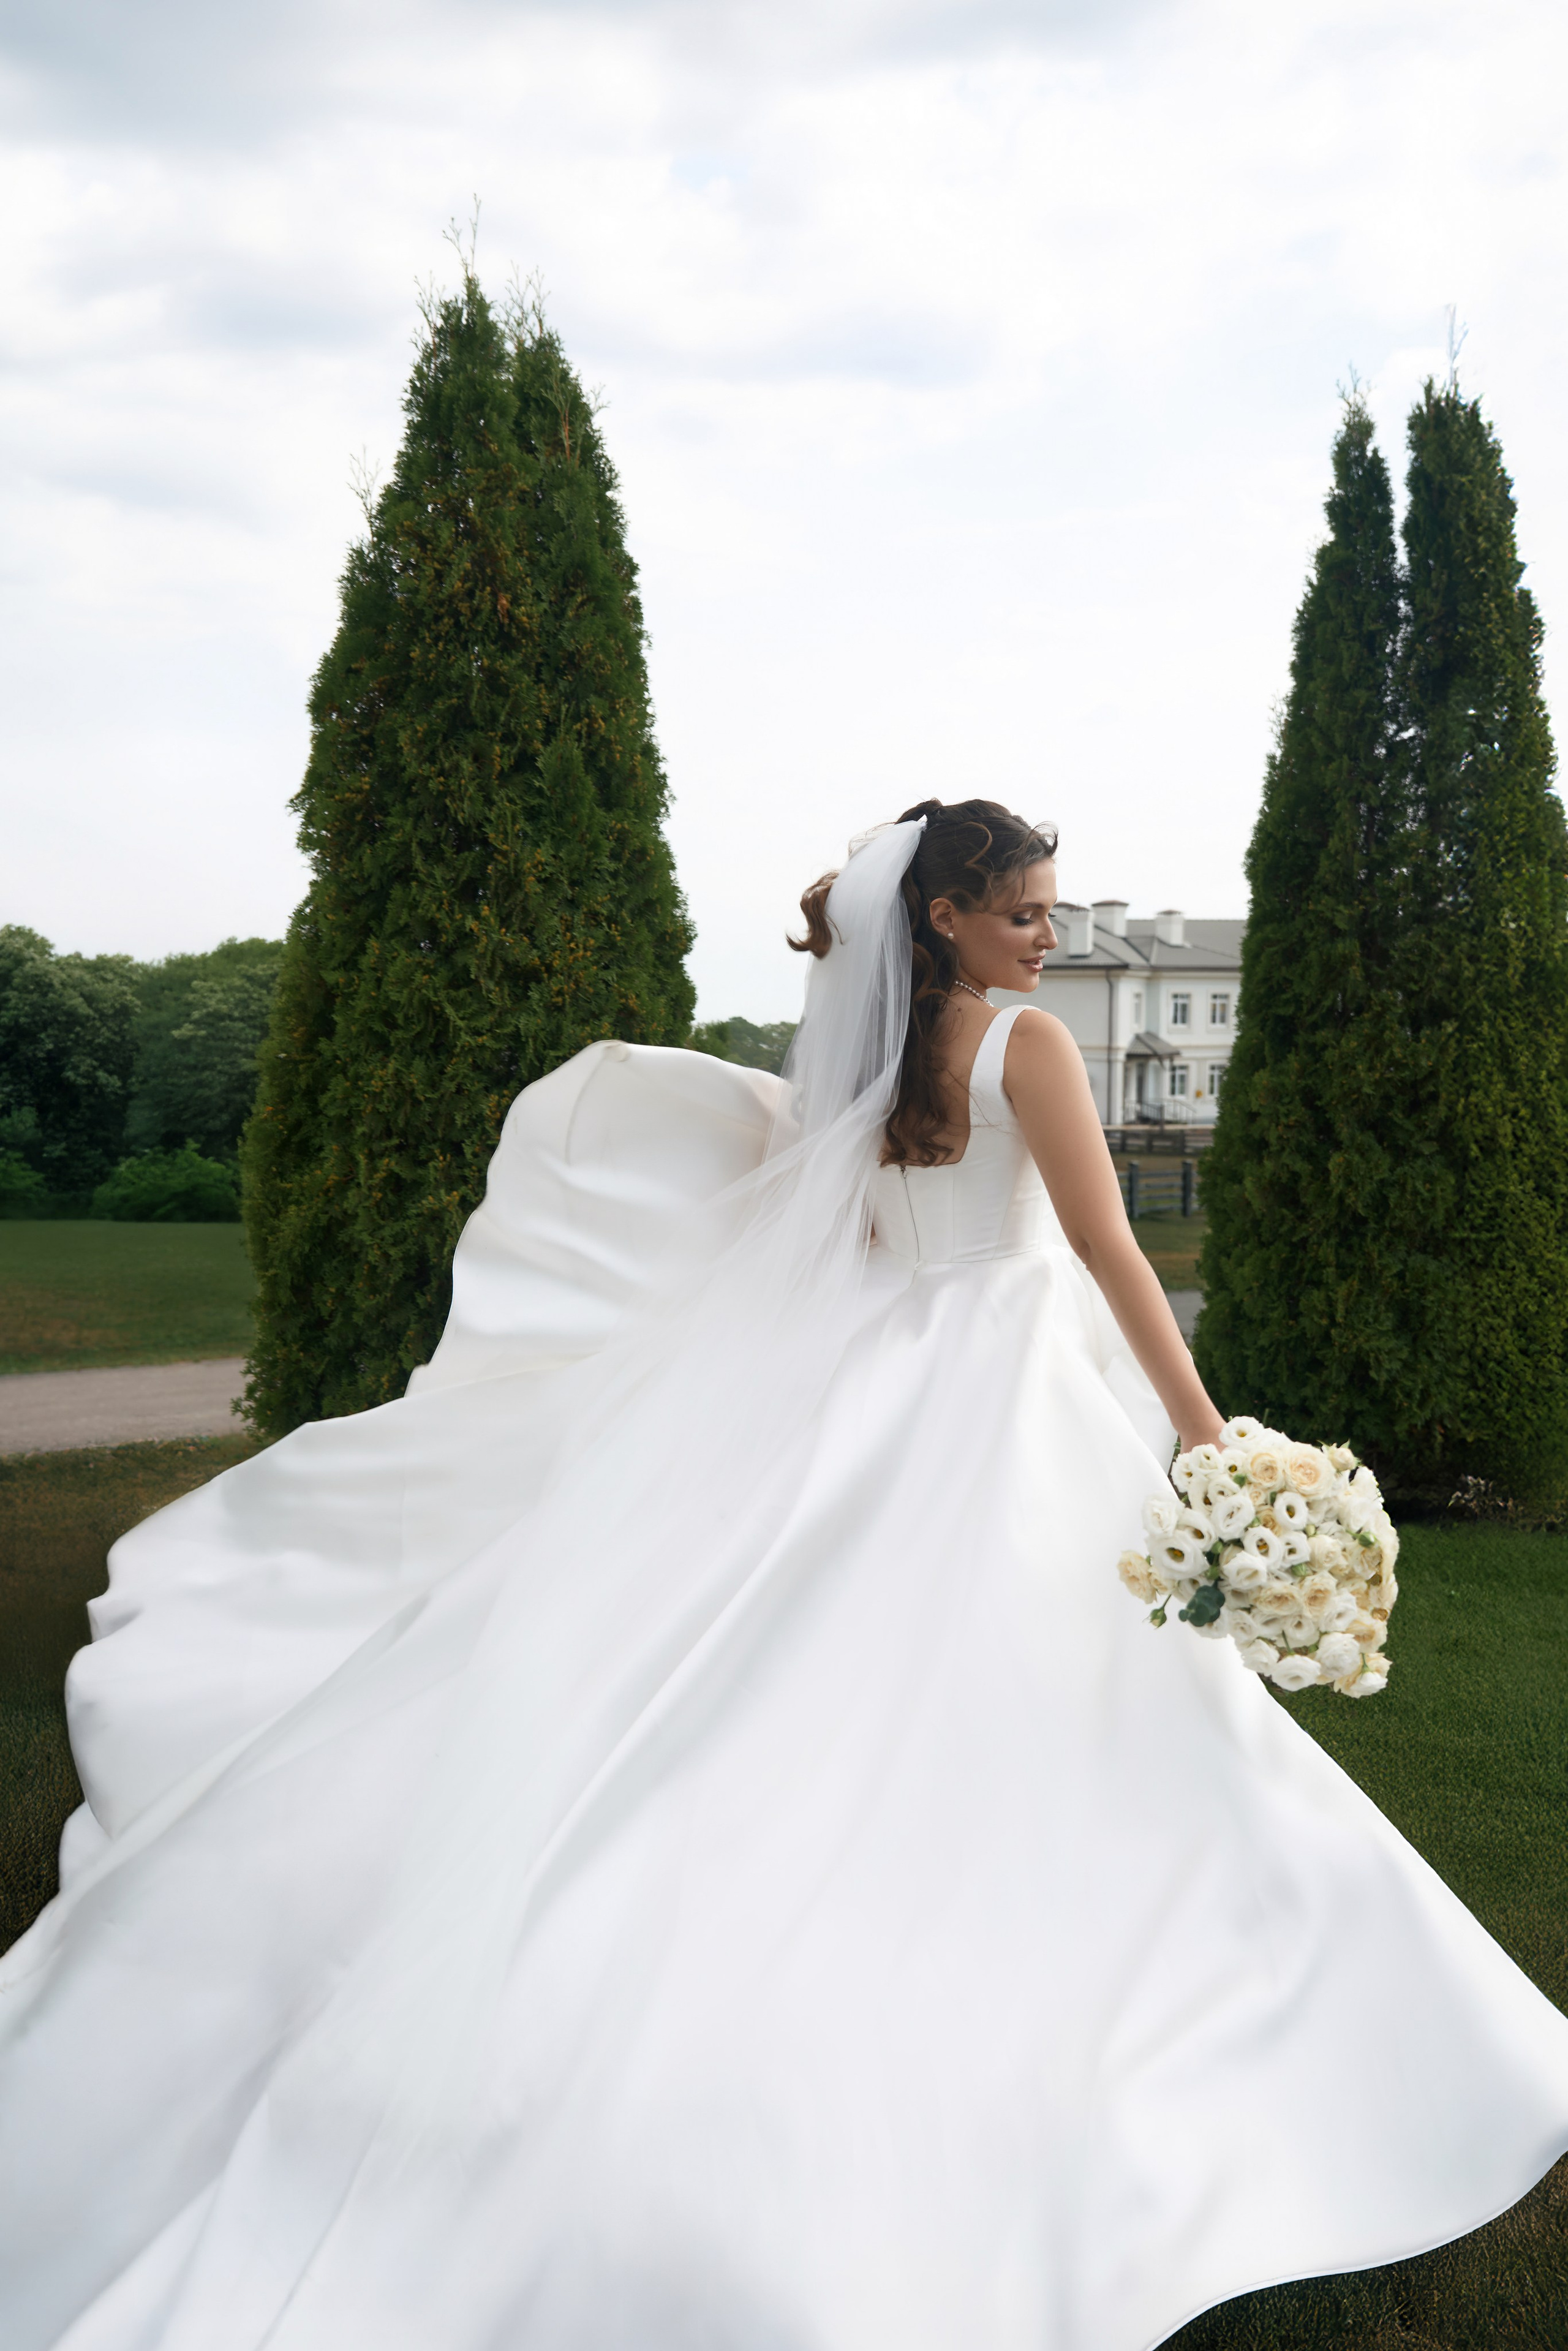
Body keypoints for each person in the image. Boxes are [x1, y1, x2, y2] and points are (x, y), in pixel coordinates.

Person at [2, 800, 1566, 2351]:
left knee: (855, 1666)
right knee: (1085, 1695)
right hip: (1002, 1385)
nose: (1047, 935)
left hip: (883, 1372)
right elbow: (1107, 1250)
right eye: (1023, 911)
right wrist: (1212, 1443)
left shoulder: (863, 1046)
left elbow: (869, 1241)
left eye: (1048, 910)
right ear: (948, 914)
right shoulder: (1026, 1045)